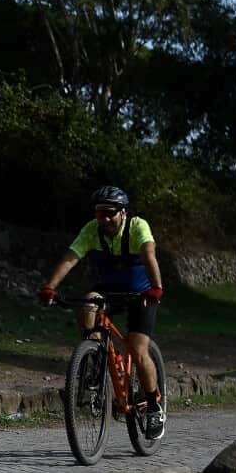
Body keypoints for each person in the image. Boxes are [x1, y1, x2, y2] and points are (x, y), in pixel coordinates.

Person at [37, 185, 167, 439]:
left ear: (123, 212)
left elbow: (150, 256)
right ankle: (93, 362)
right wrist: (50, 287)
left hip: (142, 294)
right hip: (109, 291)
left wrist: (156, 288)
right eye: (100, 214)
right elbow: (70, 258)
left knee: (138, 350)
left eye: (110, 213)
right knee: (88, 303)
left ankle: (153, 405)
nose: (105, 219)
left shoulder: (138, 226)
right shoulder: (91, 230)